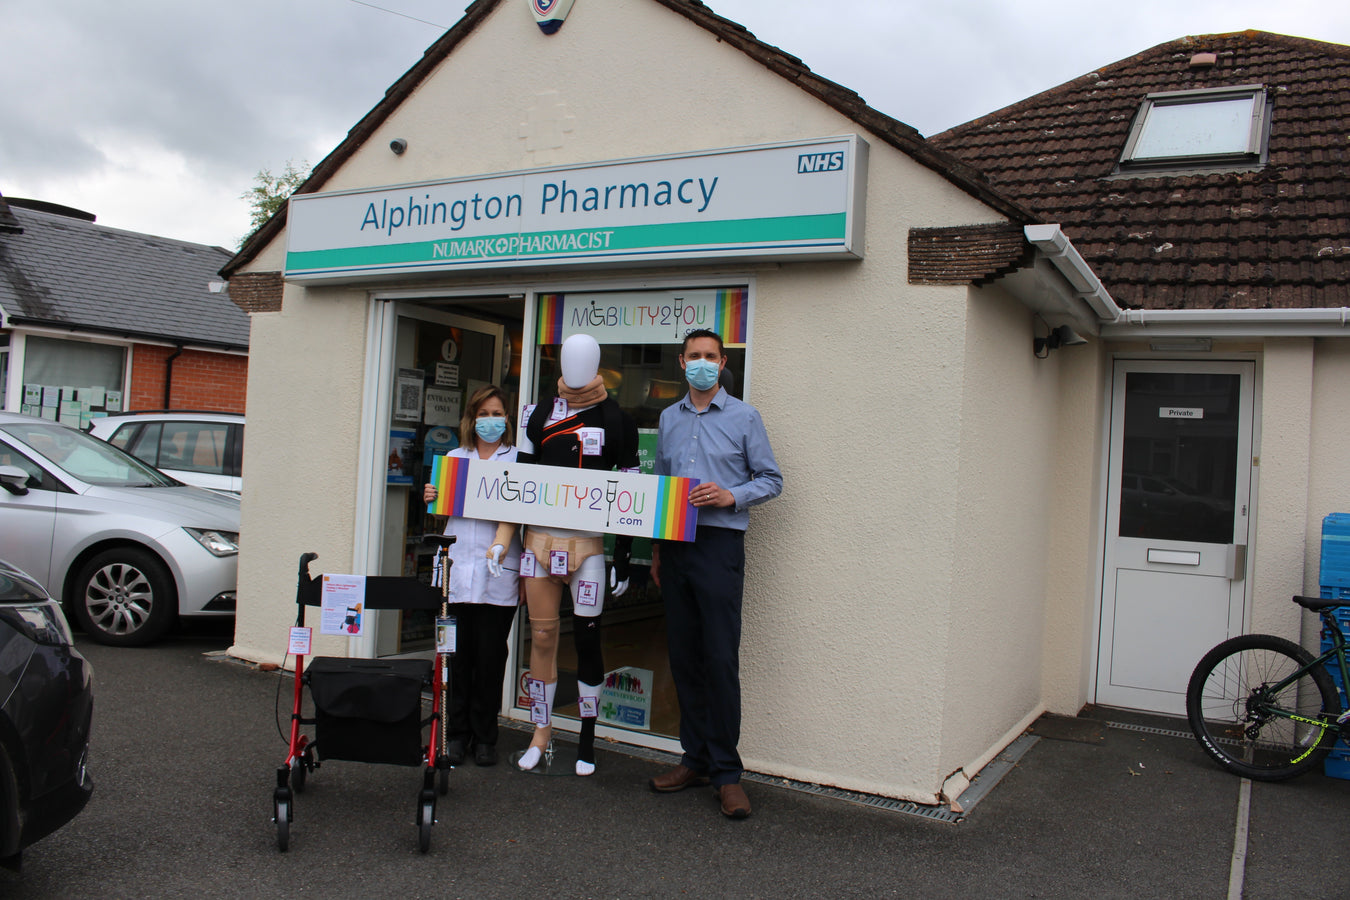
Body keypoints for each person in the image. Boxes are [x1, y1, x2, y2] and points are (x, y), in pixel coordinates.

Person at [649, 329, 782, 819]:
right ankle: (695, 759)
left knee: (720, 659)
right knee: (684, 658)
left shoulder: (745, 417)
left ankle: (727, 774)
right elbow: (661, 486)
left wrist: (731, 495)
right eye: (694, 356)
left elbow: (772, 479)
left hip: (719, 547)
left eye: (710, 356)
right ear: (681, 362)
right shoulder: (668, 418)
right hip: (676, 547)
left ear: (723, 363)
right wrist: (658, 551)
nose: (702, 363)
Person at [494, 333, 638, 776]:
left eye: (585, 358)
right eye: (568, 358)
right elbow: (519, 482)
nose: (575, 366)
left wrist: (623, 556)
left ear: (597, 363)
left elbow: (629, 492)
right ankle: (540, 732)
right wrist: (504, 537)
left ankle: (588, 738)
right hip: (538, 543)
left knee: (588, 639)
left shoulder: (617, 419)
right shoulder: (537, 414)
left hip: (588, 545)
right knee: (540, 637)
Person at [422, 384, 523, 767]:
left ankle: (485, 737)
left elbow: (523, 513)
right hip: (457, 569)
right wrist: (432, 498)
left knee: (490, 658)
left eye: (497, 414)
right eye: (483, 414)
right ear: (471, 418)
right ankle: (456, 734)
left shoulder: (518, 460)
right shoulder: (454, 458)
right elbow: (441, 515)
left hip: (498, 572)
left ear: (507, 419)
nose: (490, 421)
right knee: (457, 658)